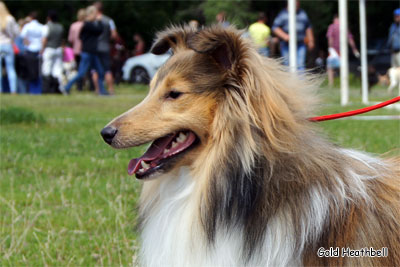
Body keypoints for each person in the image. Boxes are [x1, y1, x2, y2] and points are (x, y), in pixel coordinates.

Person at [64, 5, 107, 95]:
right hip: (87, 52)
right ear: (90, 14)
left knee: (100, 72)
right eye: (95, 14)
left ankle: (102, 91)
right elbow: (99, 30)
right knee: (81, 73)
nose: (96, 16)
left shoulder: (88, 25)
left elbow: (81, 36)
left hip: (92, 52)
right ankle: (67, 87)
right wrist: (99, 21)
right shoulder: (87, 24)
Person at [272, 0, 314, 70]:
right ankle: (290, 80)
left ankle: (300, 80)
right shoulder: (282, 14)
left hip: (300, 43)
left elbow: (308, 27)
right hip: (286, 44)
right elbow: (275, 27)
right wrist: (285, 36)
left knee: (300, 64)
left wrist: (311, 40)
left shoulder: (302, 13)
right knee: (288, 64)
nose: (298, 3)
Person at [326, 14, 359, 87]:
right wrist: (354, 49)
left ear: (334, 19)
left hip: (333, 50)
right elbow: (350, 39)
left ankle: (331, 84)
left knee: (330, 67)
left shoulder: (331, 27)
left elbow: (330, 38)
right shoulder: (344, 27)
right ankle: (343, 83)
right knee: (342, 67)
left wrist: (330, 48)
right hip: (342, 51)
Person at [92, 1, 117, 95]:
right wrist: (107, 38)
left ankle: (97, 90)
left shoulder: (92, 20)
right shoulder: (109, 20)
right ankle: (111, 89)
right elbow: (114, 35)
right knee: (107, 69)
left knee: (95, 70)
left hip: (94, 47)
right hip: (105, 46)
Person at [41, 10, 64, 94]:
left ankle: (46, 89)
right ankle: (57, 89)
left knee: (46, 69)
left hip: (49, 49)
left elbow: (44, 39)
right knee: (57, 70)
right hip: (58, 49)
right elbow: (61, 39)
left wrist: (42, 49)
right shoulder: (60, 27)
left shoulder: (46, 27)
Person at [20, 11, 43, 93]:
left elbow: (22, 36)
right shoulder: (41, 26)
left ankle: (31, 90)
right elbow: (43, 38)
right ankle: (37, 90)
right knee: (38, 71)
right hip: (39, 50)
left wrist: (27, 42)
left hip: (30, 49)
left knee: (30, 71)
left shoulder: (27, 26)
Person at [0, 1, 19, 94]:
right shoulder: (10, 19)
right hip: (8, 44)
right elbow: (16, 33)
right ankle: (13, 90)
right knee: (10, 68)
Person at [68, 8, 86, 91]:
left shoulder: (73, 25)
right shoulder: (87, 25)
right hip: (85, 49)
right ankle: (90, 86)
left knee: (79, 68)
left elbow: (70, 39)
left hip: (77, 50)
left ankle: (79, 86)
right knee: (87, 69)